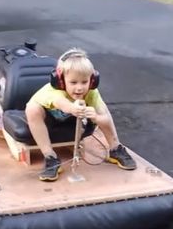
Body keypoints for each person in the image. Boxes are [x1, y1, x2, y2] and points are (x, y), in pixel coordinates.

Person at [25, 48, 137, 181]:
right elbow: (60, 102)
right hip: (50, 120)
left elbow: (105, 119)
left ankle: (115, 148)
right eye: (73, 82)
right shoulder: (53, 91)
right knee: (32, 109)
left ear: (92, 80)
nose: (79, 88)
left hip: (73, 118)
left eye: (84, 82)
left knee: (103, 109)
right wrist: (72, 108)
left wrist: (95, 117)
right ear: (60, 81)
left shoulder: (91, 92)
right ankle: (50, 156)